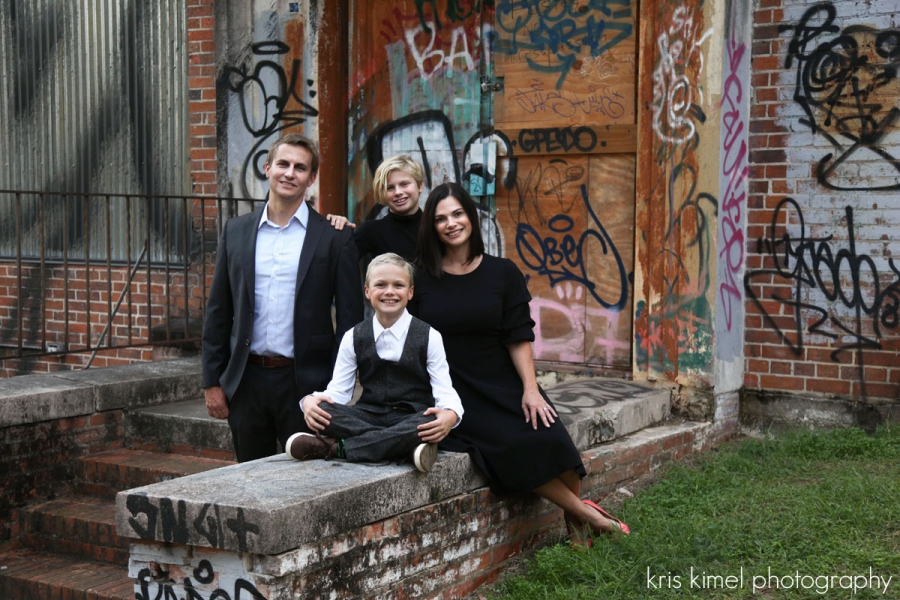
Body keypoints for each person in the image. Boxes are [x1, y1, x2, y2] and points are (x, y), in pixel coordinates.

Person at [410, 182, 629, 543]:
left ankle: (576, 531)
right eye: (440, 218)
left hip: (502, 379)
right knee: (509, 446)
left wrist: (531, 389)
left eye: (458, 214)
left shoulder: (502, 272)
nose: (451, 223)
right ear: (431, 226)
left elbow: (518, 334)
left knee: (553, 437)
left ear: (471, 217)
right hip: (452, 387)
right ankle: (591, 516)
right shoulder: (421, 277)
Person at [201, 133, 364, 463]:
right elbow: (219, 310)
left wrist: (337, 389)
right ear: (268, 168)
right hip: (246, 383)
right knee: (250, 478)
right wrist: (212, 381)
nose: (290, 173)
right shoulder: (236, 231)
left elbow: (350, 322)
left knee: (310, 482)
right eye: (283, 164)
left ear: (311, 178)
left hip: (306, 385)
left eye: (300, 167)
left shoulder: (334, 238)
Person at [285, 253, 462, 473]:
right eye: (381, 285)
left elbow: (444, 390)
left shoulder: (430, 336)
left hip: (411, 416)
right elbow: (339, 391)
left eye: (398, 285)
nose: (389, 291)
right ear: (367, 291)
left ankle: (333, 448)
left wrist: (451, 414)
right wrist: (310, 402)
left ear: (410, 292)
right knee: (322, 409)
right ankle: (402, 446)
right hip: (368, 413)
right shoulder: (353, 336)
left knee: (428, 422)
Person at [327, 154, 425, 262]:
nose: (398, 192)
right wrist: (337, 233)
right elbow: (336, 261)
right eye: (390, 188)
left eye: (404, 184)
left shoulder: (435, 226)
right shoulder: (371, 231)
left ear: (420, 185)